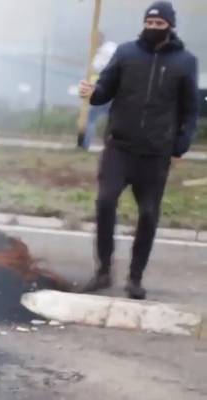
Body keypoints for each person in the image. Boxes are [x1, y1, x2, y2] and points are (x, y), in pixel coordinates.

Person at [78, 1, 199, 300]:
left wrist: (180, 145)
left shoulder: (185, 61)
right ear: (144, 23)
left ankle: (135, 277)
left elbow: (190, 109)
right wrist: (92, 94)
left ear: (170, 26)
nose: (153, 28)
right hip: (120, 146)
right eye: (150, 23)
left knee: (148, 214)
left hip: (156, 153)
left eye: (159, 24)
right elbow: (105, 89)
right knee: (105, 203)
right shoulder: (126, 53)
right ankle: (103, 270)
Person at [81, 32, 118, 151]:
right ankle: (111, 146)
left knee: (92, 118)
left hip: (104, 91)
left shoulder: (105, 51)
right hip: (104, 91)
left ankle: (86, 145)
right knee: (111, 119)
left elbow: (100, 68)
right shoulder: (107, 49)